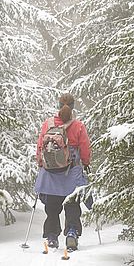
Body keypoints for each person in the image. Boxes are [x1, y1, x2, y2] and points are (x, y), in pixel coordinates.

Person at [34, 93, 91, 250]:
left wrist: (40, 162)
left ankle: (52, 236)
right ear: (73, 108)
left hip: (50, 170)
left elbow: (40, 146)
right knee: (72, 203)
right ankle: (72, 232)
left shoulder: (48, 124)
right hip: (71, 170)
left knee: (52, 206)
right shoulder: (78, 125)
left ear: (58, 106)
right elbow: (85, 147)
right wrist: (85, 162)